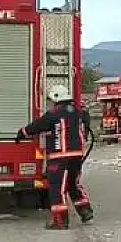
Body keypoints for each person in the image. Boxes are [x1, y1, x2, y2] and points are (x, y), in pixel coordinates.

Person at [15, 84, 94, 230]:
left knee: (57, 187)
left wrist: (23, 132)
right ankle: (85, 211)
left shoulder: (54, 113)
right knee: (73, 184)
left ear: (56, 98)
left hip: (60, 157)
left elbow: (38, 126)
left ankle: (60, 220)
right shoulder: (78, 112)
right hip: (77, 155)